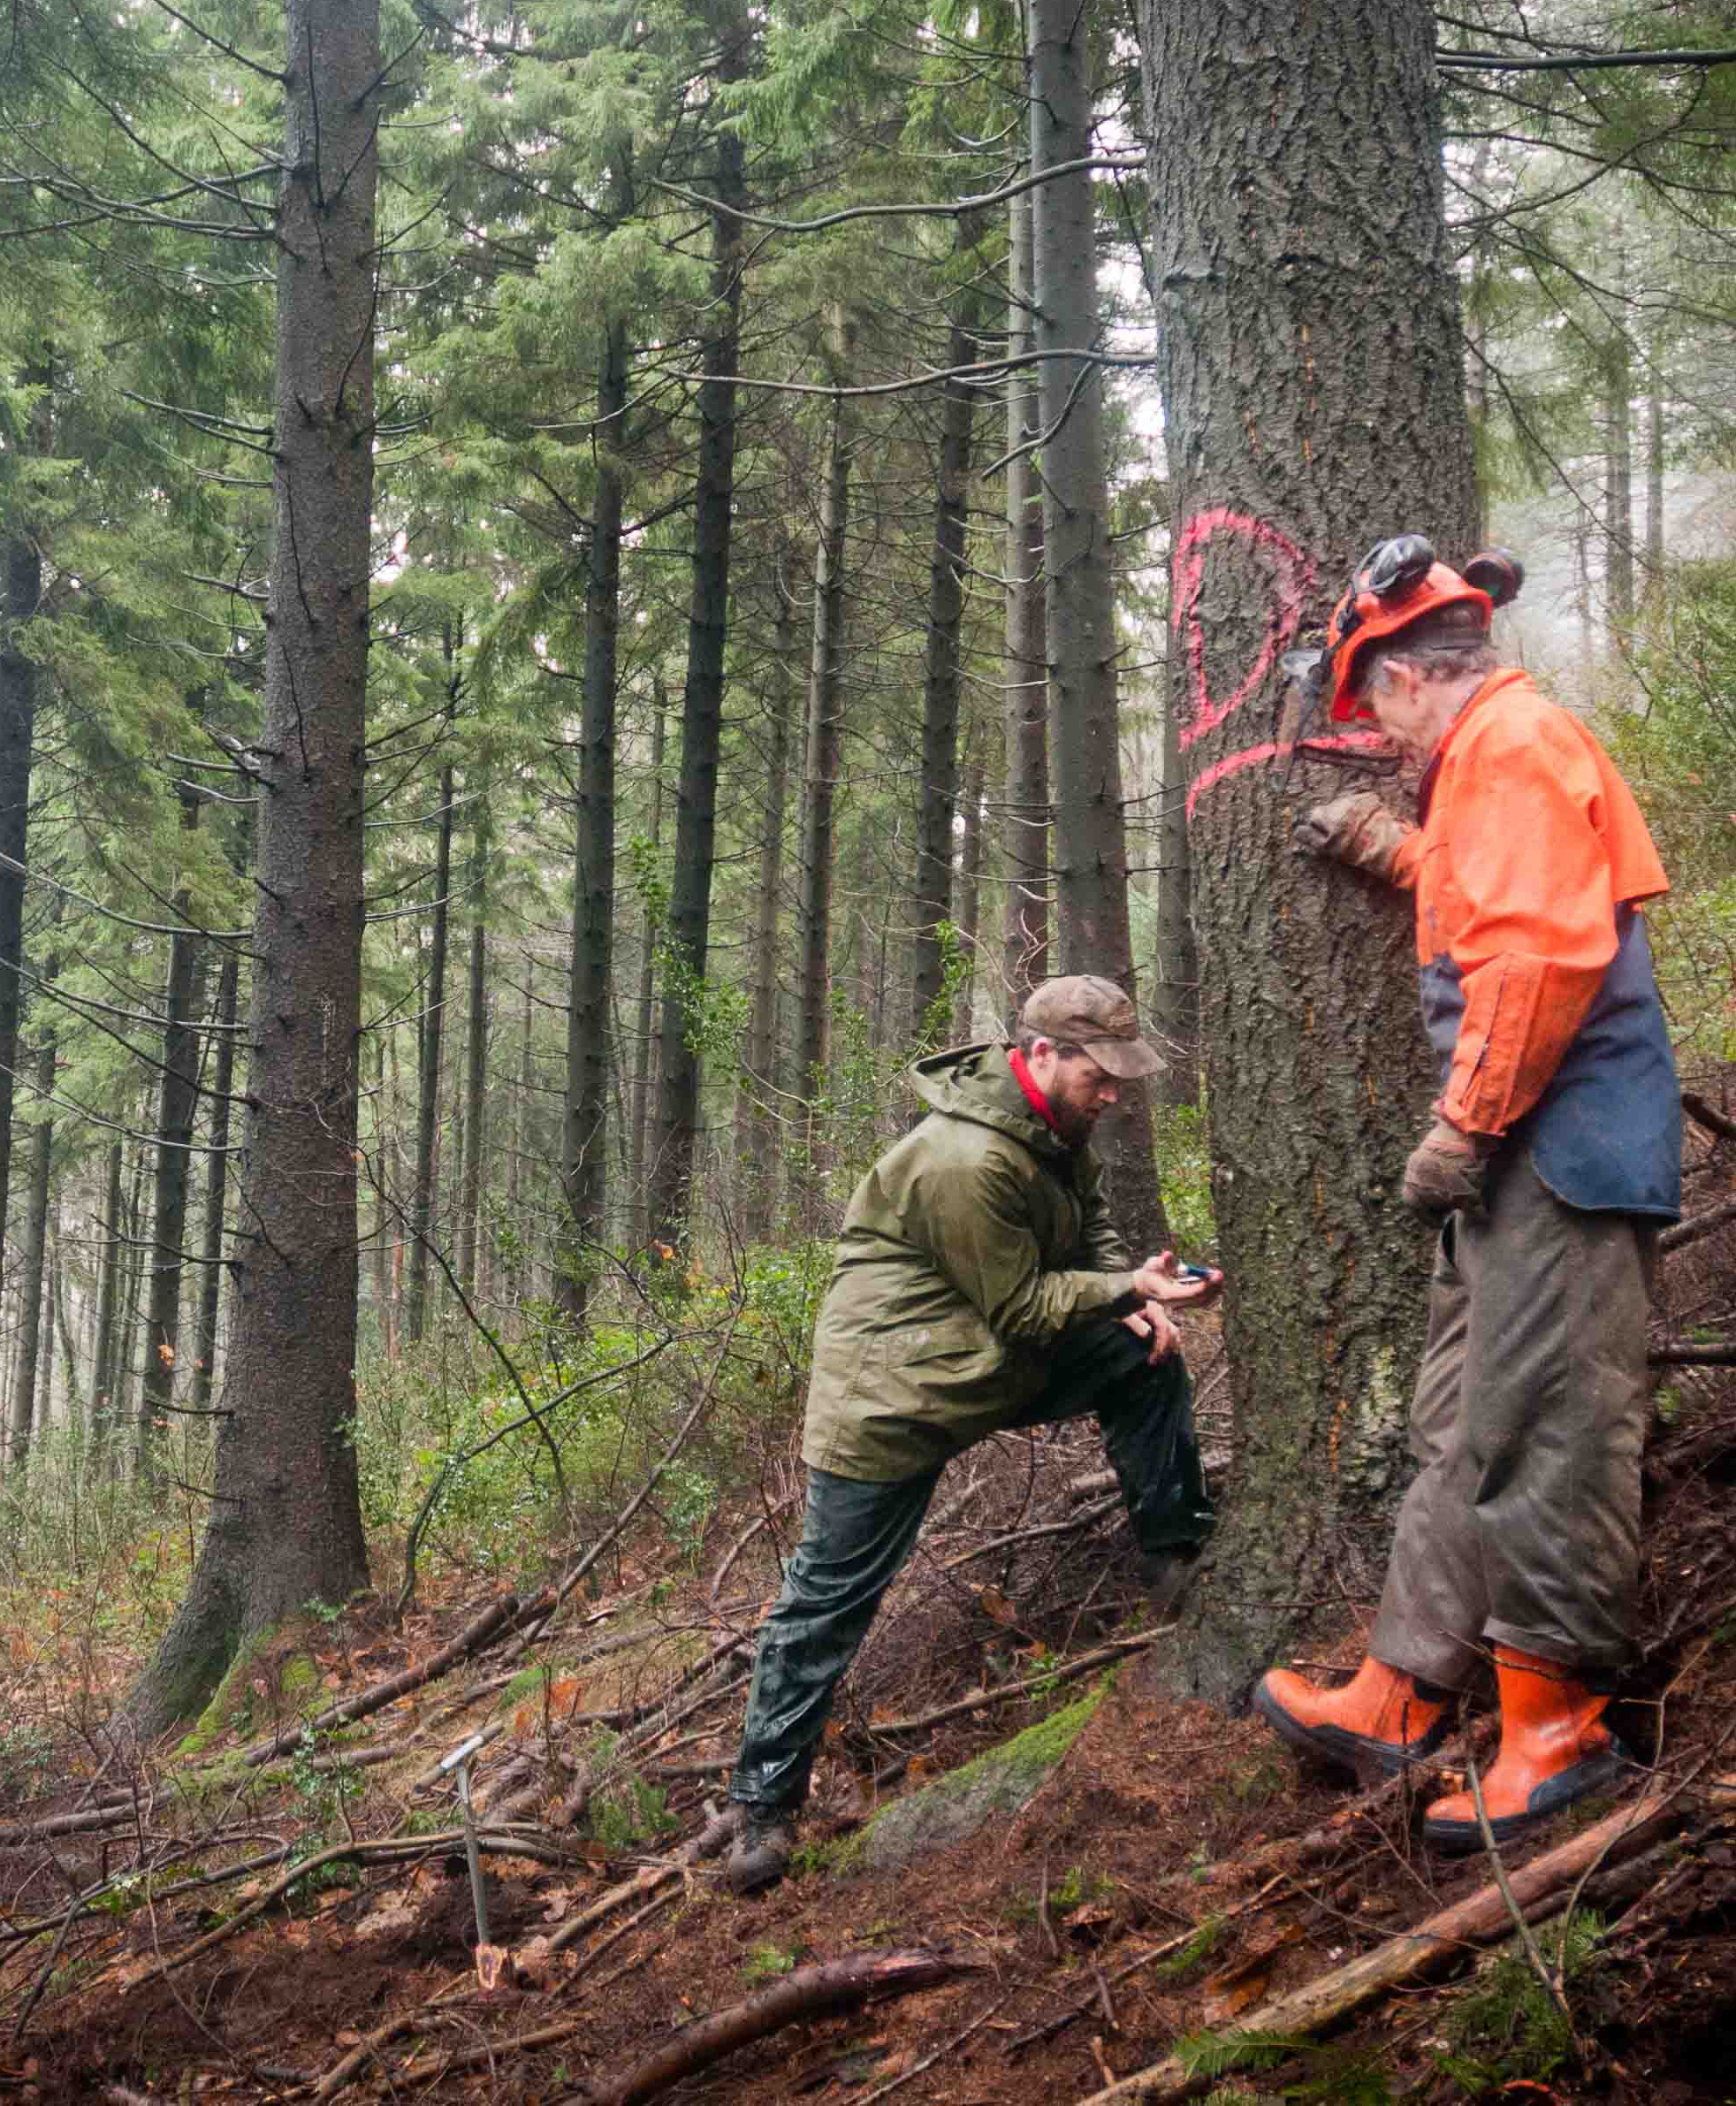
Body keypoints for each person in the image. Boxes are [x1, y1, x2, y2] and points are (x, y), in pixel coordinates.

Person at [1255, 535, 1683, 1854]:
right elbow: (1486, 891)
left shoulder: (1507, 748)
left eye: (1370, 715)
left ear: (1394, 682)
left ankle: (1557, 1727)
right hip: (1518, 1162)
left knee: (1547, 1426)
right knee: (1457, 1420)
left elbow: (1540, 951)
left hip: (1554, 1150)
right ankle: (1402, 1689)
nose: (1375, 740)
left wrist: (1461, 1126)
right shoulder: (1486, 766)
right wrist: (1392, 849)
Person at [720, 975, 1222, 1896]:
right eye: (1097, 1074)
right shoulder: (963, 1159)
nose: (1112, 1093)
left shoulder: (1057, 1134)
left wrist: (1129, 1289)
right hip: (891, 1401)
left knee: (1142, 1360)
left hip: (981, 1359)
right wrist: (1123, 1294)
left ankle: (1177, 1558)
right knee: (823, 1607)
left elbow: (1086, 1242)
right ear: (1038, 1057)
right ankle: (761, 1811)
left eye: (1120, 1074)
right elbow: (1025, 1305)